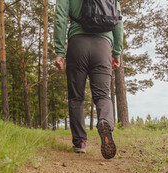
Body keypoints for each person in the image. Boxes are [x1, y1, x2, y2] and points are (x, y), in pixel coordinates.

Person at [53, 0, 123, 159]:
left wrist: (59, 51)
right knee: (103, 95)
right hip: (103, 46)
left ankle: (80, 143)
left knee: (76, 97)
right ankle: (105, 122)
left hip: (78, 45)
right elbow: (118, 22)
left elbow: (60, 18)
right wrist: (117, 52)